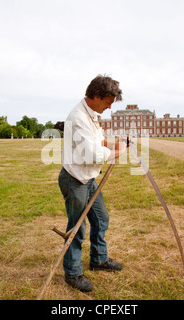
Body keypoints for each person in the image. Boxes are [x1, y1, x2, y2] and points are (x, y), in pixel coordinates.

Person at [58, 74, 127, 292]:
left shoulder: (92, 114)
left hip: (88, 179)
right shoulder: (78, 117)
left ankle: (98, 260)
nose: (109, 107)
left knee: (101, 218)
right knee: (77, 228)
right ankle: (73, 272)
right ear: (95, 96)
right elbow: (93, 154)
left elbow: (99, 140)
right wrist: (119, 152)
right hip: (75, 179)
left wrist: (116, 143)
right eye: (107, 102)